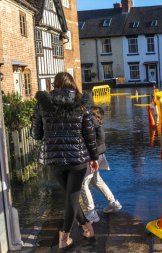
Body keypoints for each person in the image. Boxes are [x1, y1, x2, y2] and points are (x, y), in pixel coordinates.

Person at [30, 72, 98, 251]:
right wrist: (94, 157)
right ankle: (64, 238)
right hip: (77, 159)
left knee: (71, 198)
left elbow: (36, 134)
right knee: (72, 199)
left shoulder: (43, 104)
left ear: (55, 85)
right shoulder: (81, 104)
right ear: (72, 84)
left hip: (54, 159)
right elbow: (89, 134)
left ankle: (87, 228)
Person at [80, 106, 122, 224]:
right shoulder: (96, 121)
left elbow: (96, 139)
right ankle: (113, 203)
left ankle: (91, 212)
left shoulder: (90, 120)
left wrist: (90, 153)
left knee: (84, 183)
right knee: (96, 180)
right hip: (100, 154)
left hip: (93, 156)